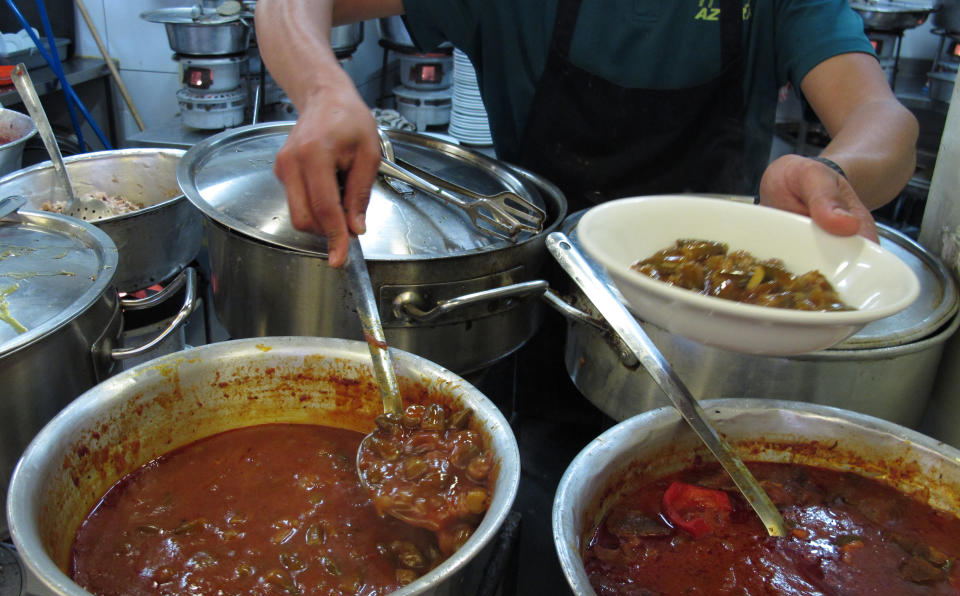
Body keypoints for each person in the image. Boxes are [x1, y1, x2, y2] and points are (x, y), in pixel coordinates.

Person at [254, 0, 919, 267]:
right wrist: (322, 87)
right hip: (533, 306)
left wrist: (832, 176)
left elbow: (883, 123)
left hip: (715, 325)